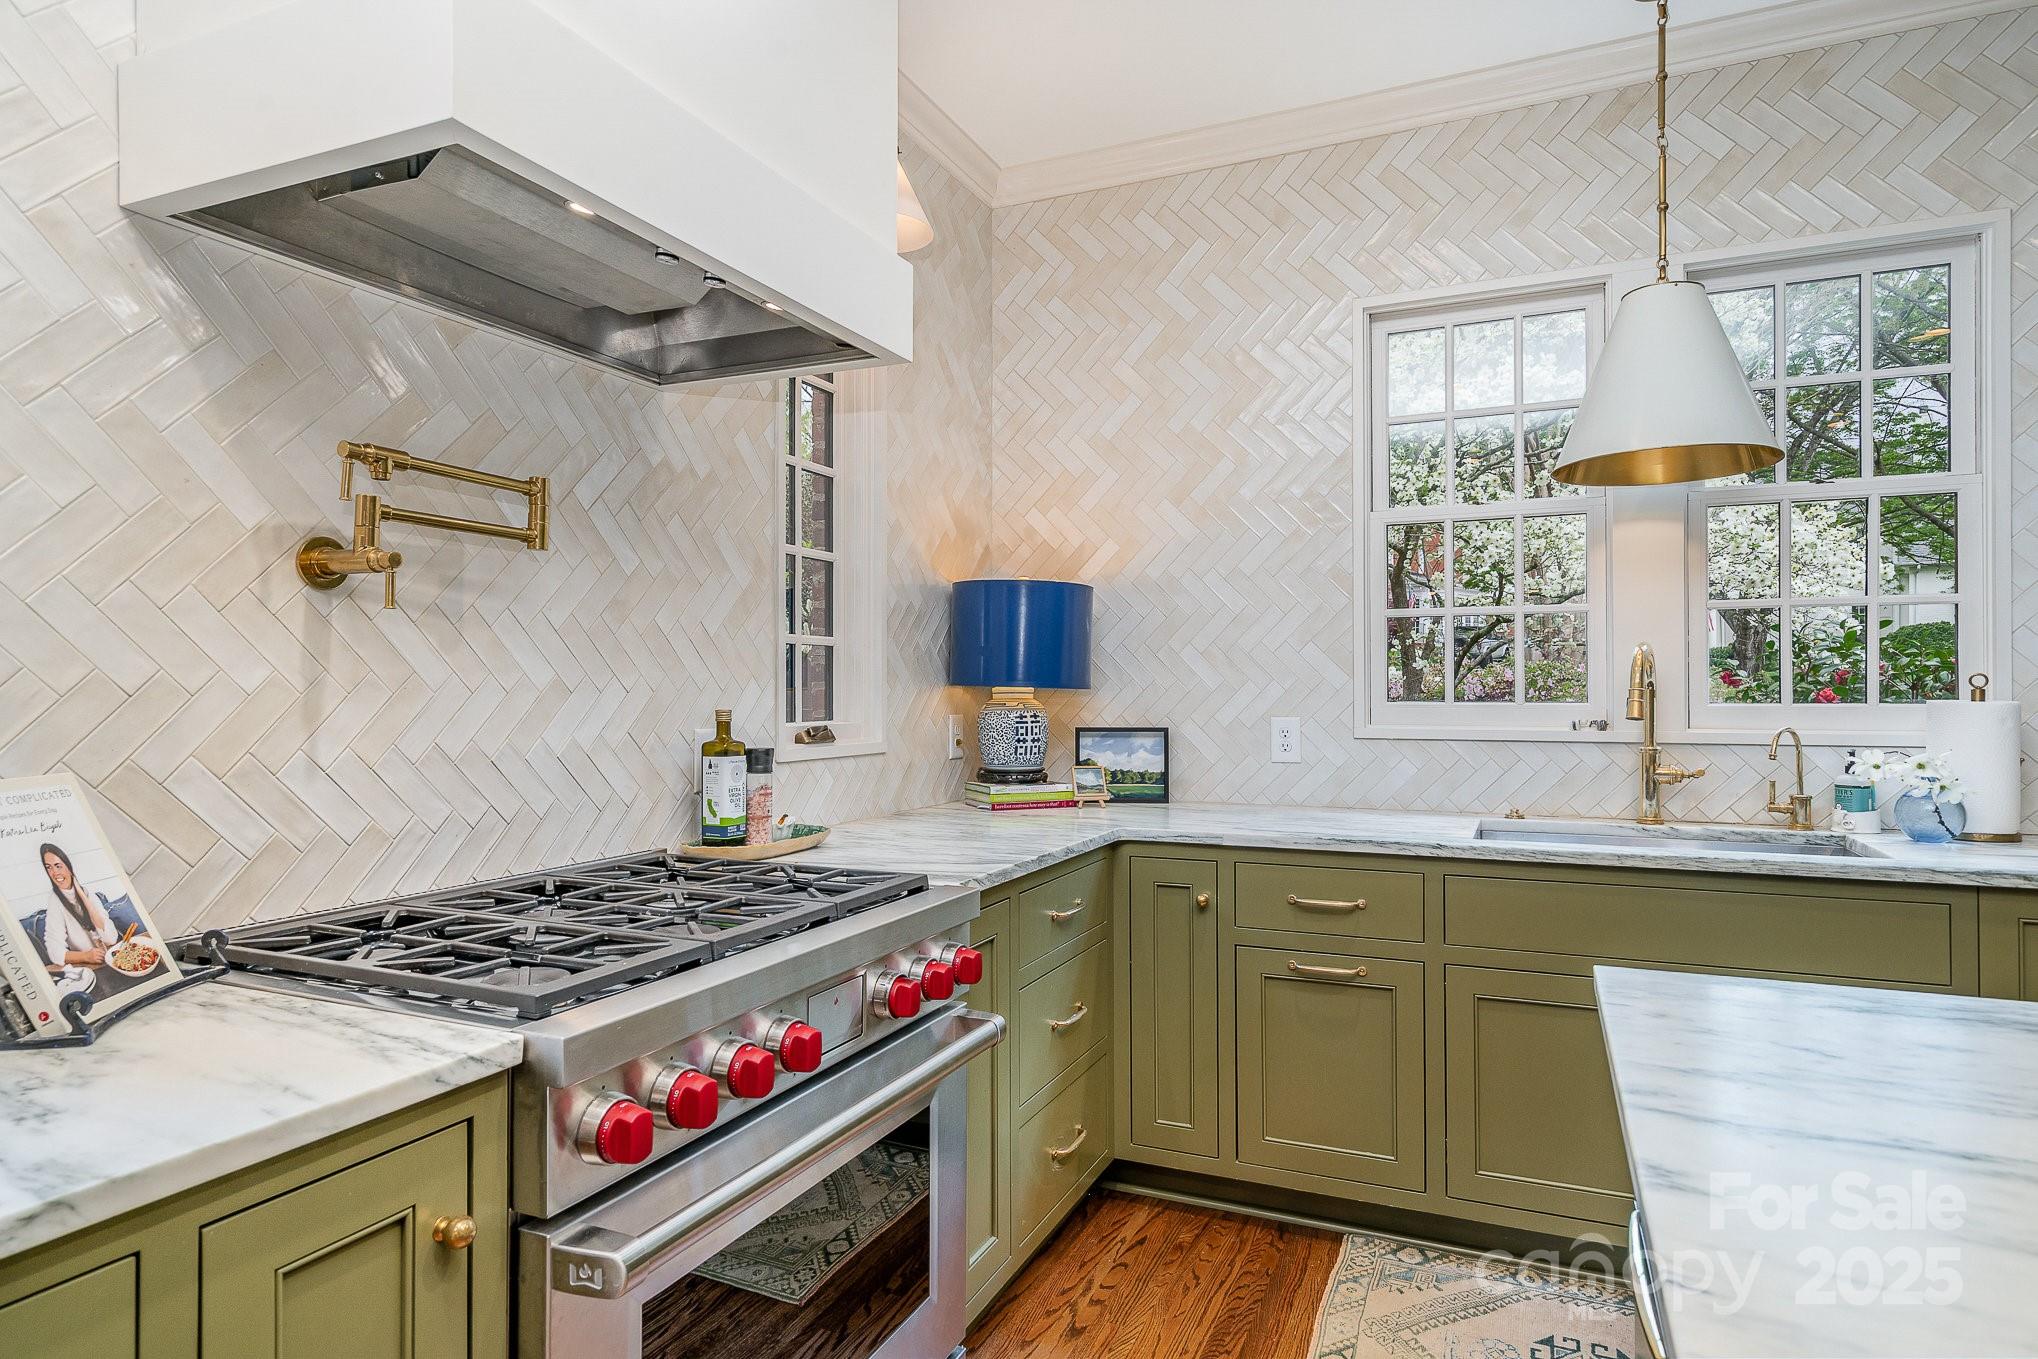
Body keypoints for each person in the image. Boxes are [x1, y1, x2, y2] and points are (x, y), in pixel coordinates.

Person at [36, 842, 139, 1000]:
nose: (54, 872)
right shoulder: (55, 902)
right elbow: (55, 953)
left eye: (58, 865)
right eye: (48, 867)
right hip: (93, 971)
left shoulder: (87, 892)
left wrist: (83, 897)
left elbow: (111, 938)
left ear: (68, 867)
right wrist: (85, 956)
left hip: (118, 957)